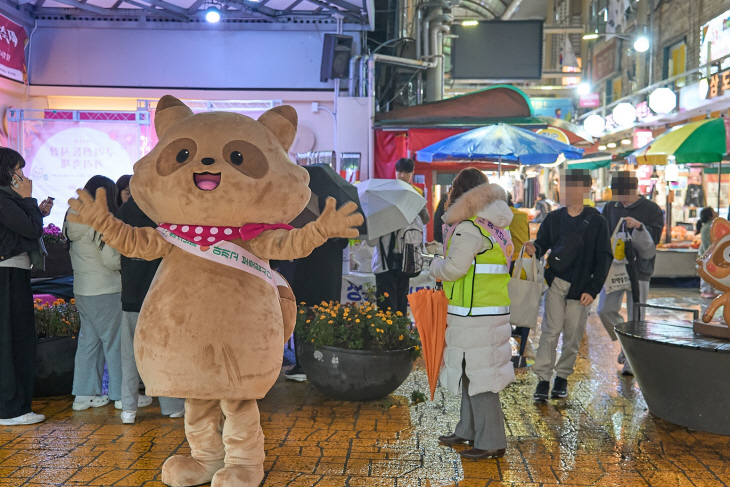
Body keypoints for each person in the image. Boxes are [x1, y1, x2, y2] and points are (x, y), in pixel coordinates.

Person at [430, 168, 514, 460]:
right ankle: (467, 430)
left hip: (473, 313)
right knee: (473, 373)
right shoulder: (496, 227)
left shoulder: (469, 228)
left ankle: (491, 440)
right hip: (489, 311)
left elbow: (453, 269)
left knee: (481, 377)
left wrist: (434, 265)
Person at [525, 170, 612, 401]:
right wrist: (535, 248)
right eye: (566, 187)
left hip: (582, 289)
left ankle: (562, 377)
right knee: (550, 332)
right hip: (556, 283)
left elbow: (604, 257)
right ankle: (543, 380)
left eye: (574, 187)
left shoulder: (597, 222)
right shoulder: (554, 218)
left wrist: (593, 289)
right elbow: (543, 243)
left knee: (573, 335)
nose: (569, 192)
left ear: (585, 189)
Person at [117, 193, 184, 423]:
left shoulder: (124, 212)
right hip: (159, 297)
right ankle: (172, 405)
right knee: (163, 353)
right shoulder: (163, 212)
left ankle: (128, 409)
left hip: (130, 294)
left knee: (129, 356)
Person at [0, 148, 53, 426]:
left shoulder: (9, 200)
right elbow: (31, 231)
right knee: (12, 340)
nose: (23, 174)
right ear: (7, 171)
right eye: (19, 168)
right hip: (7, 274)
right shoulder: (3, 199)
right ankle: (10, 409)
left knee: (16, 338)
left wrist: (35, 210)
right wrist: (30, 200)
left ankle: (14, 406)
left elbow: (26, 227)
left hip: (13, 272)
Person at [64, 176, 124, 411]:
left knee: (89, 342)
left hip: (83, 289)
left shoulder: (72, 219)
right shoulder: (98, 221)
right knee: (115, 343)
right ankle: (122, 396)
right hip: (106, 289)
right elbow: (111, 260)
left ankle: (83, 395)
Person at [597, 171, 664, 375]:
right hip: (613, 268)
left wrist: (639, 227)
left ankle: (631, 361)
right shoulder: (610, 207)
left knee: (637, 316)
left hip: (640, 269)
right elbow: (601, 234)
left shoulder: (652, 209)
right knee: (604, 309)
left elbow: (656, 240)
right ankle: (627, 344)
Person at [697, 207, 718, 299]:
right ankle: (706, 291)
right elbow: (707, 244)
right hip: (707, 254)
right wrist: (710, 255)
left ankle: (710, 290)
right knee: (707, 273)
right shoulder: (708, 227)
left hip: (709, 253)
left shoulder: (710, 225)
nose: (716, 212)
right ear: (710, 216)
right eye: (713, 212)